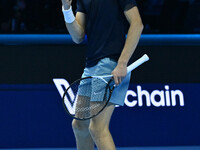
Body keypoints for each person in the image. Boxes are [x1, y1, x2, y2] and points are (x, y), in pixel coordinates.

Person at [61, 0, 143, 149]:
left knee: (97, 128)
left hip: (110, 64)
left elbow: (137, 24)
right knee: (80, 124)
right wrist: (66, 10)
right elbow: (78, 36)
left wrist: (122, 63)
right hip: (91, 66)